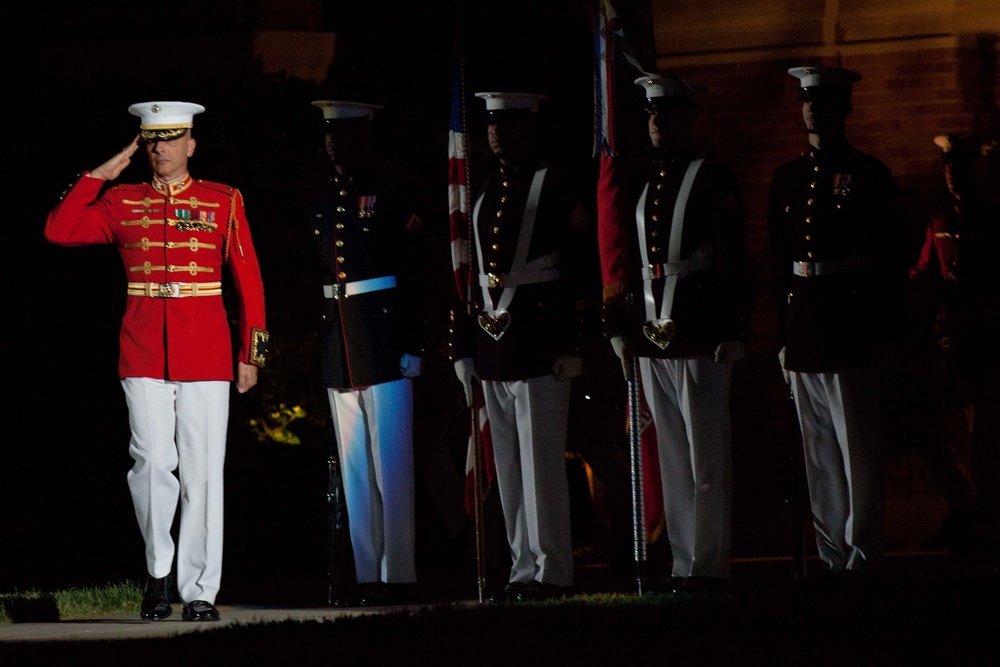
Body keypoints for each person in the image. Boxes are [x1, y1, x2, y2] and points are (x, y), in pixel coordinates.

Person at [44, 101, 269, 622]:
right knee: (149, 463)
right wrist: (98, 175)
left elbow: (248, 280)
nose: (160, 148)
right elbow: (59, 229)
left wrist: (250, 353)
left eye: (170, 139)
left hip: (208, 350)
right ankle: (158, 574)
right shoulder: (121, 200)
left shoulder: (223, 200)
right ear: (141, 146)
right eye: (151, 140)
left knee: (203, 471)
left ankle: (200, 590)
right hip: (143, 346)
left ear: (191, 144)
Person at [598, 74, 749, 590]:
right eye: (650, 114)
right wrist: (619, 326)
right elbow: (626, 259)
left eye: (665, 114)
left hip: (700, 330)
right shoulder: (641, 177)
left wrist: (734, 326)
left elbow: (732, 256)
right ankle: (684, 562)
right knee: (672, 459)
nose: (656, 122)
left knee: (706, 456)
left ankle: (709, 563)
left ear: (687, 119)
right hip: (650, 334)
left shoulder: (711, 175)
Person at [768, 67, 907, 579]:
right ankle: (831, 557)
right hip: (806, 325)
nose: (812, 109)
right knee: (820, 454)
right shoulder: (787, 177)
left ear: (844, 108)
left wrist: (887, 334)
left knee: (859, 451)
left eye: (823, 101)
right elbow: (779, 262)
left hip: (851, 325)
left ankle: (864, 555)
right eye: (806, 100)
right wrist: (784, 335)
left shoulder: (869, 173)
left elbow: (891, 262)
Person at [451, 91, 587, 602]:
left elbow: (576, 265)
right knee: (507, 467)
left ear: (529, 128)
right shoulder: (484, 187)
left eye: (507, 124)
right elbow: (469, 277)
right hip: (495, 345)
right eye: (491, 123)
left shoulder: (553, 183)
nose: (496, 132)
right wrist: (464, 348)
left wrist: (574, 339)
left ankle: (553, 570)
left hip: (539, 342)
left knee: (542, 467)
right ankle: (522, 567)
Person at [304, 99, 425, 606]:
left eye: (344, 132)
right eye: (329, 132)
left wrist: (415, 343)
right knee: (355, 469)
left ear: (363, 136)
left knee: (391, 465)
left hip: (382, 338)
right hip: (341, 341)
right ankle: (366, 572)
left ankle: (398, 574)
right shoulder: (318, 196)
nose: (334, 141)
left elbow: (415, 269)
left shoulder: (391, 189)